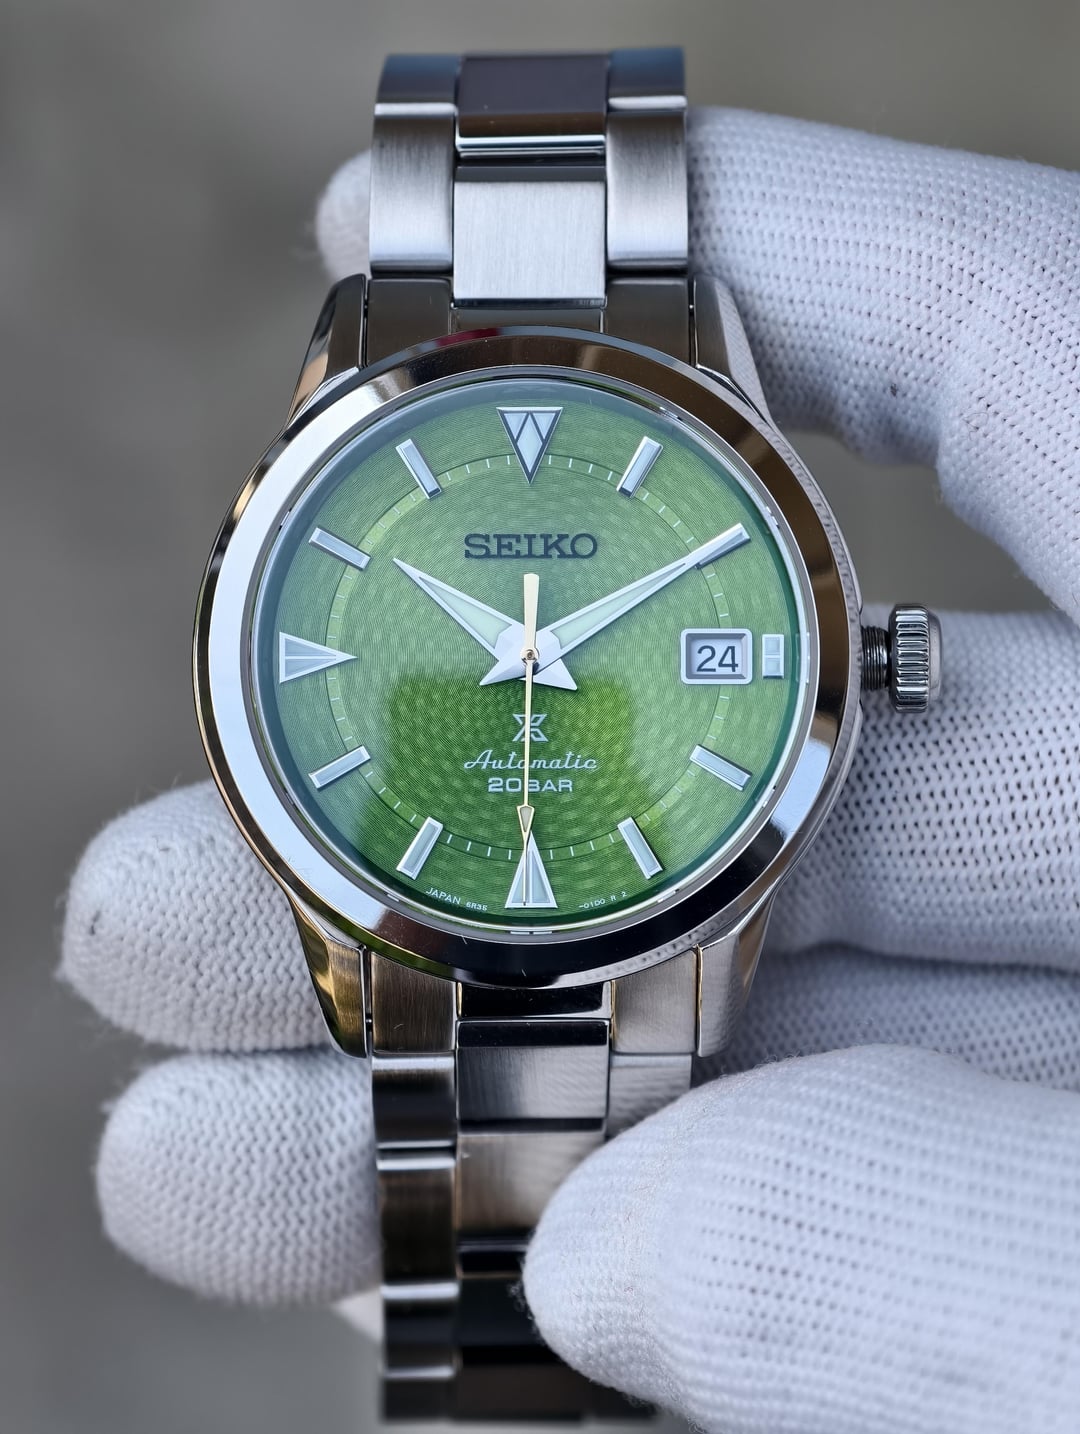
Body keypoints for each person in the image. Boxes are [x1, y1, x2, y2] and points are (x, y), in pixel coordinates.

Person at [62, 108, 1080, 1433]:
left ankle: (512, 1373)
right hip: (517, 883)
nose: (531, 654)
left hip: (563, 885)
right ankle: (511, 1368)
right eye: (518, 649)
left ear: (872, 657)